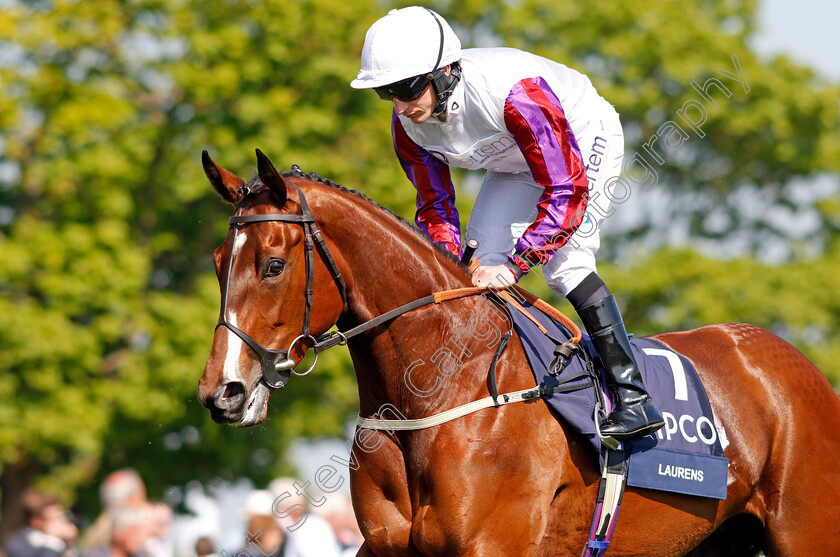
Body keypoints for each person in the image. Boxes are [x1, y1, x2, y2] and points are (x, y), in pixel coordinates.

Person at [351, 6, 664, 440]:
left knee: (564, 265)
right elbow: (435, 206)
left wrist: (517, 266)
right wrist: (448, 262)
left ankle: (633, 396)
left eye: (406, 88)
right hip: (515, 161)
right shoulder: (409, 127)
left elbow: (566, 191)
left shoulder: (516, 95)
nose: (401, 106)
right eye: (388, 94)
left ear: (443, 73)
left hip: (581, 137)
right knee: (477, 266)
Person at [4, 490, 78, 557]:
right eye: (56, 519)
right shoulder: (17, 545)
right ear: (37, 522)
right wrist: (53, 540)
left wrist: (69, 544)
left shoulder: (60, 544)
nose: (63, 523)